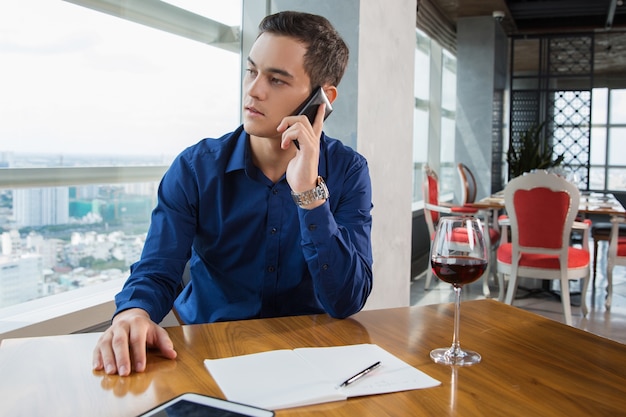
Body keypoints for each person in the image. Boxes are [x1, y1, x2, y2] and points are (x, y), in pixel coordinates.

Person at [92, 10, 373, 376]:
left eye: (276, 80)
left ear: (321, 98)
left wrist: (308, 193)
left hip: (311, 357)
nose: (254, 90)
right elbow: (158, 269)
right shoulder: (196, 168)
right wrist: (134, 313)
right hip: (210, 352)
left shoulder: (348, 171)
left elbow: (346, 299)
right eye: (252, 71)